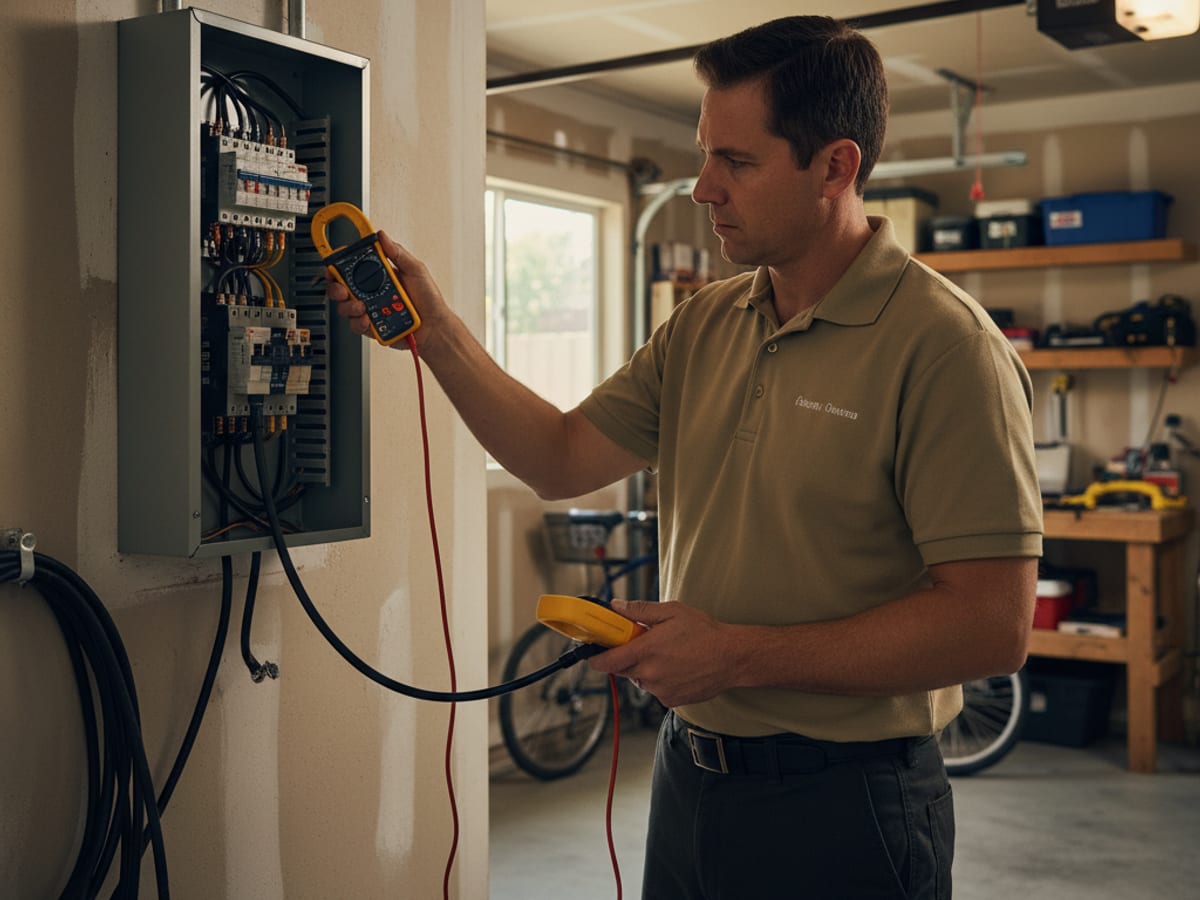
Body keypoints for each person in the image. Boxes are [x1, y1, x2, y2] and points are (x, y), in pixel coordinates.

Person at [329, 15, 1043, 899]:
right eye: (705, 153)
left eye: (736, 162)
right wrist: (436, 334)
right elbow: (558, 457)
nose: (703, 188)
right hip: (690, 779)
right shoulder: (706, 321)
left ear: (836, 166)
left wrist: (740, 655)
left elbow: (992, 626)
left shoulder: (945, 345)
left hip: (846, 801)